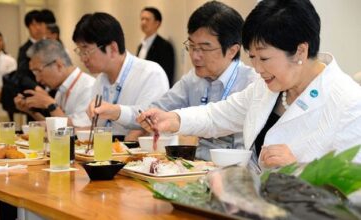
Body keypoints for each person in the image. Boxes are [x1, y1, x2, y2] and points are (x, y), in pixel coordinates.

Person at [137, 0, 361, 168]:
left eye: (263, 58)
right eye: (252, 57)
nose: (257, 68)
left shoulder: (349, 102)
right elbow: (218, 115)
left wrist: (300, 170)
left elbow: (354, 188)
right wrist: (173, 119)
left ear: (300, 51)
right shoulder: (266, 88)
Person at [88, 1, 256, 160]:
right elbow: (155, 111)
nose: (195, 56)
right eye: (191, 46)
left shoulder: (251, 84)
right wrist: (116, 111)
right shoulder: (192, 80)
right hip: (194, 169)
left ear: (232, 50)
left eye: (204, 48)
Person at [72, 12, 169, 140]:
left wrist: (115, 111)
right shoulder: (100, 81)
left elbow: (151, 121)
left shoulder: (150, 73)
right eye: (80, 51)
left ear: (112, 48)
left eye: (86, 50)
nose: (83, 58)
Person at [14, 39, 95, 127]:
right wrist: (31, 111)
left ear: (59, 65)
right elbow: (55, 127)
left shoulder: (88, 87)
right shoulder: (62, 88)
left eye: (38, 71)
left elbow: (80, 131)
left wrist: (50, 104)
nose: (37, 79)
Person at [137, 7, 175, 85]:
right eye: (142, 19)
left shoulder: (164, 46)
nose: (143, 22)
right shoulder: (141, 46)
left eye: (147, 19)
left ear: (157, 23)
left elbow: (166, 75)